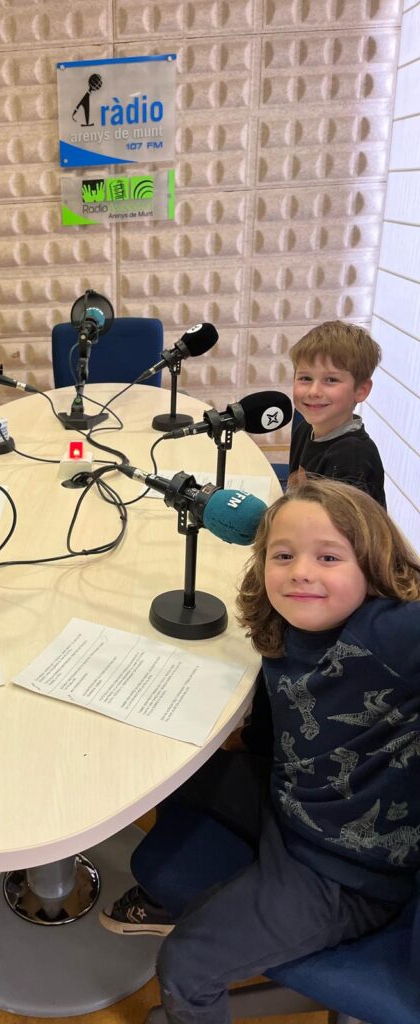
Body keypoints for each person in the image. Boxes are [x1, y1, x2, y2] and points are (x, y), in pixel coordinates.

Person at [103, 479, 420, 1024]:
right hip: (292, 804)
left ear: (373, 566)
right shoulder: (287, 621)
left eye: (328, 557)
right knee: (162, 770)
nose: (301, 572)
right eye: (283, 555)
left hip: (344, 873)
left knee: (186, 966)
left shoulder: (389, 633)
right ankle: (189, 900)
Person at [288, 320, 385, 506]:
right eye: (305, 378)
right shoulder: (304, 429)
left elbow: (337, 524)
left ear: (361, 390)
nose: (314, 392)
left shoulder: (353, 457)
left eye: (331, 380)